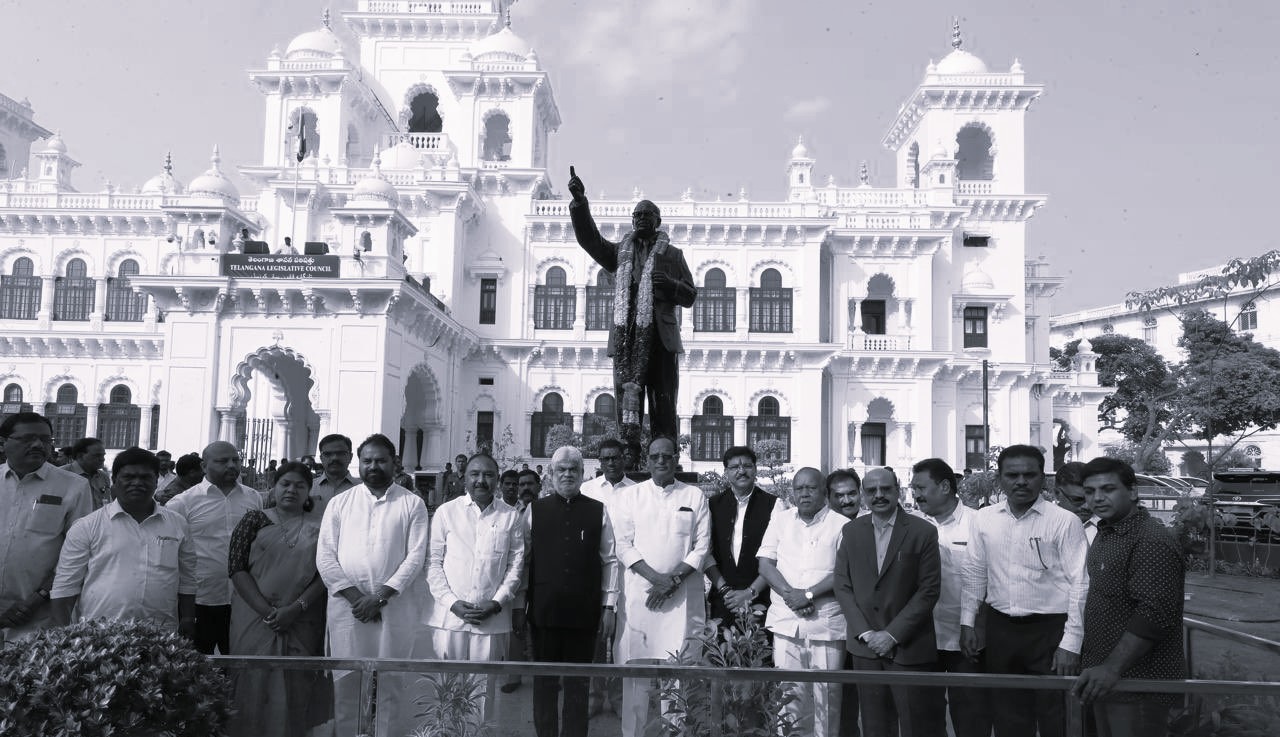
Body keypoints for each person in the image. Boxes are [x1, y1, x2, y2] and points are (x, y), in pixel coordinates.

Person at [961, 445, 1088, 737]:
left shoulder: (1064, 521)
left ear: (1043, 478)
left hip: (1050, 632)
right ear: (1000, 479)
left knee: (1056, 717)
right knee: (1007, 715)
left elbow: (1080, 583)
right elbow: (975, 572)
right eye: (1012, 475)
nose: (1021, 481)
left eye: (1029, 475)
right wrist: (968, 622)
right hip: (1001, 630)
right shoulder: (984, 518)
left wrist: (1071, 644)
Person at [567, 167, 697, 439]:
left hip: (661, 339)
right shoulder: (619, 253)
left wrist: (670, 284)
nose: (640, 218)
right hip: (626, 338)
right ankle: (628, 452)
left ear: (658, 220)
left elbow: (689, 296)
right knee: (626, 404)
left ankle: (664, 453)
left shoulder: (673, 255)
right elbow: (589, 240)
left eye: (646, 214)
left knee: (664, 403)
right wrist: (580, 203)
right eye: (637, 215)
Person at [318, 433, 431, 737]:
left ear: (394, 462)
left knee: (390, 682)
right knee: (347, 684)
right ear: (359, 463)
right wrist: (358, 599)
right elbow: (325, 557)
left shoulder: (412, 504)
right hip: (348, 611)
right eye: (367, 460)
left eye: (380, 460)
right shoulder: (340, 503)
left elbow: (415, 557)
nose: (373, 466)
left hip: (394, 610)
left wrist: (380, 597)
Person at [1073, 458, 1186, 737]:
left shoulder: (1150, 540)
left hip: (1139, 685)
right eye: (1090, 491)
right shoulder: (1107, 533)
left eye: (1108, 489)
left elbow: (1153, 614)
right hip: (1104, 680)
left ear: (1133, 492)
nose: (1098, 498)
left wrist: (1111, 668)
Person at [610, 435, 711, 737]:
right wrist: (657, 579)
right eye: (655, 456)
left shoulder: (694, 496)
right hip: (641, 600)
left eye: (667, 456)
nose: (661, 461)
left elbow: (702, 547)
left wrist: (673, 581)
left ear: (676, 459)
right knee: (636, 681)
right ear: (647, 460)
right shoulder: (630, 497)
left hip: (681, 601)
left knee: (677, 680)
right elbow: (622, 545)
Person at [834, 467, 943, 737]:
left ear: (898, 490)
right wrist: (866, 632)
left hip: (909, 647)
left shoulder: (923, 531)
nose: (879, 495)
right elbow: (842, 586)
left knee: (916, 726)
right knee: (874, 727)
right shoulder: (851, 531)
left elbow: (928, 590)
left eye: (885, 489)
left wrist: (892, 635)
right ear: (863, 495)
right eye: (871, 490)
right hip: (865, 648)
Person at [520, 446, 620, 737]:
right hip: (544, 612)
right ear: (550, 474)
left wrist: (608, 606)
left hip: (583, 613)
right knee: (544, 684)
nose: (567, 475)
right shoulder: (534, 510)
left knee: (578, 685)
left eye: (573, 469)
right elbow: (524, 561)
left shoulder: (598, 510)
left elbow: (610, 560)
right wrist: (519, 605)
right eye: (561, 470)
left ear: (582, 473)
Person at [227, 461, 330, 737]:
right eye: (285, 484)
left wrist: (295, 609)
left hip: (302, 619)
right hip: (254, 617)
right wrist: (268, 612)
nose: (291, 490)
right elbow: (236, 569)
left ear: (308, 491)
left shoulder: (321, 527)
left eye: (300, 486)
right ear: (274, 488)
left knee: (297, 680)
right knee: (252, 678)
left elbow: (326, 574)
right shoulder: (254, 520)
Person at [49, 447, 196, 633]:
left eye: (145, 477)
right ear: (114, 480)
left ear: (156, 481)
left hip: (161, 634)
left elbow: (188, 578)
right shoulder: (87, 526)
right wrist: (63, 636)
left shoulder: (177, 524)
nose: (137, 483)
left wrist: (188, 619)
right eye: (128, 477)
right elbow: (65, 587)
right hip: (99, 636)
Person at [424, 452, 525, 719]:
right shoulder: (447, 512)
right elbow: (433, 564)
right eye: (475, 474)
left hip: (491, 620)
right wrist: (452, 603)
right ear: (465, 478)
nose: (481, 480)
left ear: (497, 479)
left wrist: (497, 602)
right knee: (446, 692)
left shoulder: (510, 516)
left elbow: (516, 566)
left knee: (483, 695)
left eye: (488, 475)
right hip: (450, 619)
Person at [757, 467, 848, 737]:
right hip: (787, 623)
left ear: (824, 492)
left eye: (811, 488)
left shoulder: (842, 525)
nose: (804, 494)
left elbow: (844, 572)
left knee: (827, 699)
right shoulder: (780, 521)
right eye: (799, 488)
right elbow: (765, 564)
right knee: (787, 699)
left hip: (826, 625)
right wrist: (791, 595)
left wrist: (808, 594)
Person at [911, 458, 991, 737]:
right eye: (913, 489)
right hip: (923, 637)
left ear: (945, 487)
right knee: (924, 717)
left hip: (967, 638)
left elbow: (988, 580)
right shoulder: (913, 525)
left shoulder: (979, 524)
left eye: (921, 488)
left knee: (971, 716)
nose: (916, 495)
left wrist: (976, 626)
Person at [0, 412, 93, 640]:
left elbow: (77, 554)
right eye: (27, 438)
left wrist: (36, 599)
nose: (38, 445)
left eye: (45, 439)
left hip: (37, 617)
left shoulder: (74, 486)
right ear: (3, 443)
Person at [167, 441, 264, 655]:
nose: (231, 465)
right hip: (201, 600)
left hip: (244, 600)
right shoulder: (182, 503)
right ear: (204, 466)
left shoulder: (253, 497)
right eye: (222, 461)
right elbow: (171, 553)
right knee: (196, 665)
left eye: (235, 460)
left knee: (239, 663)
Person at [579, 438, 636, 715]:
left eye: (616, 457)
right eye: (605, 458)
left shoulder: (637, 491)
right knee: (596, 637)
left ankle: (619, 695)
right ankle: (594, 694)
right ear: (599, 461)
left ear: (625, 458)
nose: (611, 462)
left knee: (623, 638)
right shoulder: (587, 490)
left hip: (629, 572)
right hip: (595, 573)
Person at [705, 445, 777, 632]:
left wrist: (750, 593)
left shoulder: (774, 505)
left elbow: (776, 556)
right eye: (735, 467)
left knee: (758, 648)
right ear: (726, 472)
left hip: (760, 600)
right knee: (722, 648)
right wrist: (725, 590)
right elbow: (705, 552)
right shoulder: (712, 505)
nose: (741, 471)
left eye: (747, 466)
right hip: (724, 599)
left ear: (755, 469)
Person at [825, 469, 863, 737]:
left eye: (851, 493)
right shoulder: (822, 527)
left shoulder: (873, 524)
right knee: (831, 694)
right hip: (831, 622)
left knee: (859, 696)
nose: (846, 500)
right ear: (828, 497)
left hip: (867, 626)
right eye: (838, 495)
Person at [312, 433, 358, 515]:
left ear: (350, 457)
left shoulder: (365, 489)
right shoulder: (308, 488)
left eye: (340, 453)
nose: (334, 458)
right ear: (321, 458)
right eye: (328, 454)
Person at [1056, 461, 1100, 544]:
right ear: (1057, 493)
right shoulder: (1038, 526)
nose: (1086, 506)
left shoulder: (1110, 529)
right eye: (1077, 499)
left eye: (1092, 499)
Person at [65, 437, 111, 510]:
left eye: (103, 455)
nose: (102, 459)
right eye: (97, 455)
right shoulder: (62, 474)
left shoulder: (103, 476)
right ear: (80, 456)